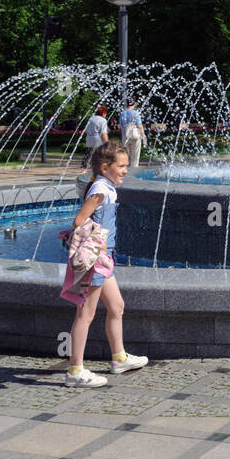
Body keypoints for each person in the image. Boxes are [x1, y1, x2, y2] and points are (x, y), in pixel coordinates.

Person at [64, 142, 148, 386]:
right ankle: (75, 371)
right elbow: (79, 220)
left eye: (126, 166)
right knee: (85, 314)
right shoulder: (100, 189)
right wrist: (99, 246)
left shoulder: (106, 187)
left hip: (104, 258)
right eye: (121, 166)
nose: (125, 170)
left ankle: (119, 358)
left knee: (117, 305)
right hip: (96, 258)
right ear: (105, 167)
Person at [119, 102, 146, 169]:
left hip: (125, 135)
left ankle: (124, 168)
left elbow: (121, 126)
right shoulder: (135, 113)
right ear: (133, 104)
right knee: (135, 154)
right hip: (135, 135)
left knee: (125, 153)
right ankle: (134, 168)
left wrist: (122, 135)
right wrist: (144, 136)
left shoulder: (123, 113)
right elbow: (139, 126)